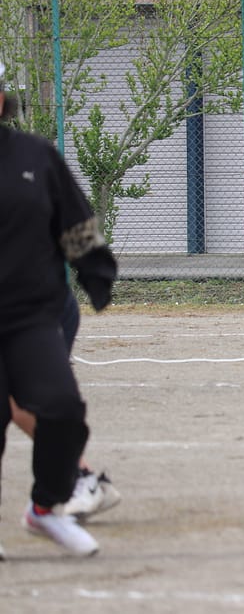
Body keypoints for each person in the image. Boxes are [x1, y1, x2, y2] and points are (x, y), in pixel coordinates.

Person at [0, 61, 117, 558]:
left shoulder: (35, 157)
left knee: (63, 410)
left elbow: (75, 219)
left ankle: (45, 507)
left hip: (30, 317)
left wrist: (96, 271)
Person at [8, 288, 122, 521]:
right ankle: (83, 478)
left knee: (22, 403)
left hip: (37, 313)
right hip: (22, 311)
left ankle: (84, 478)